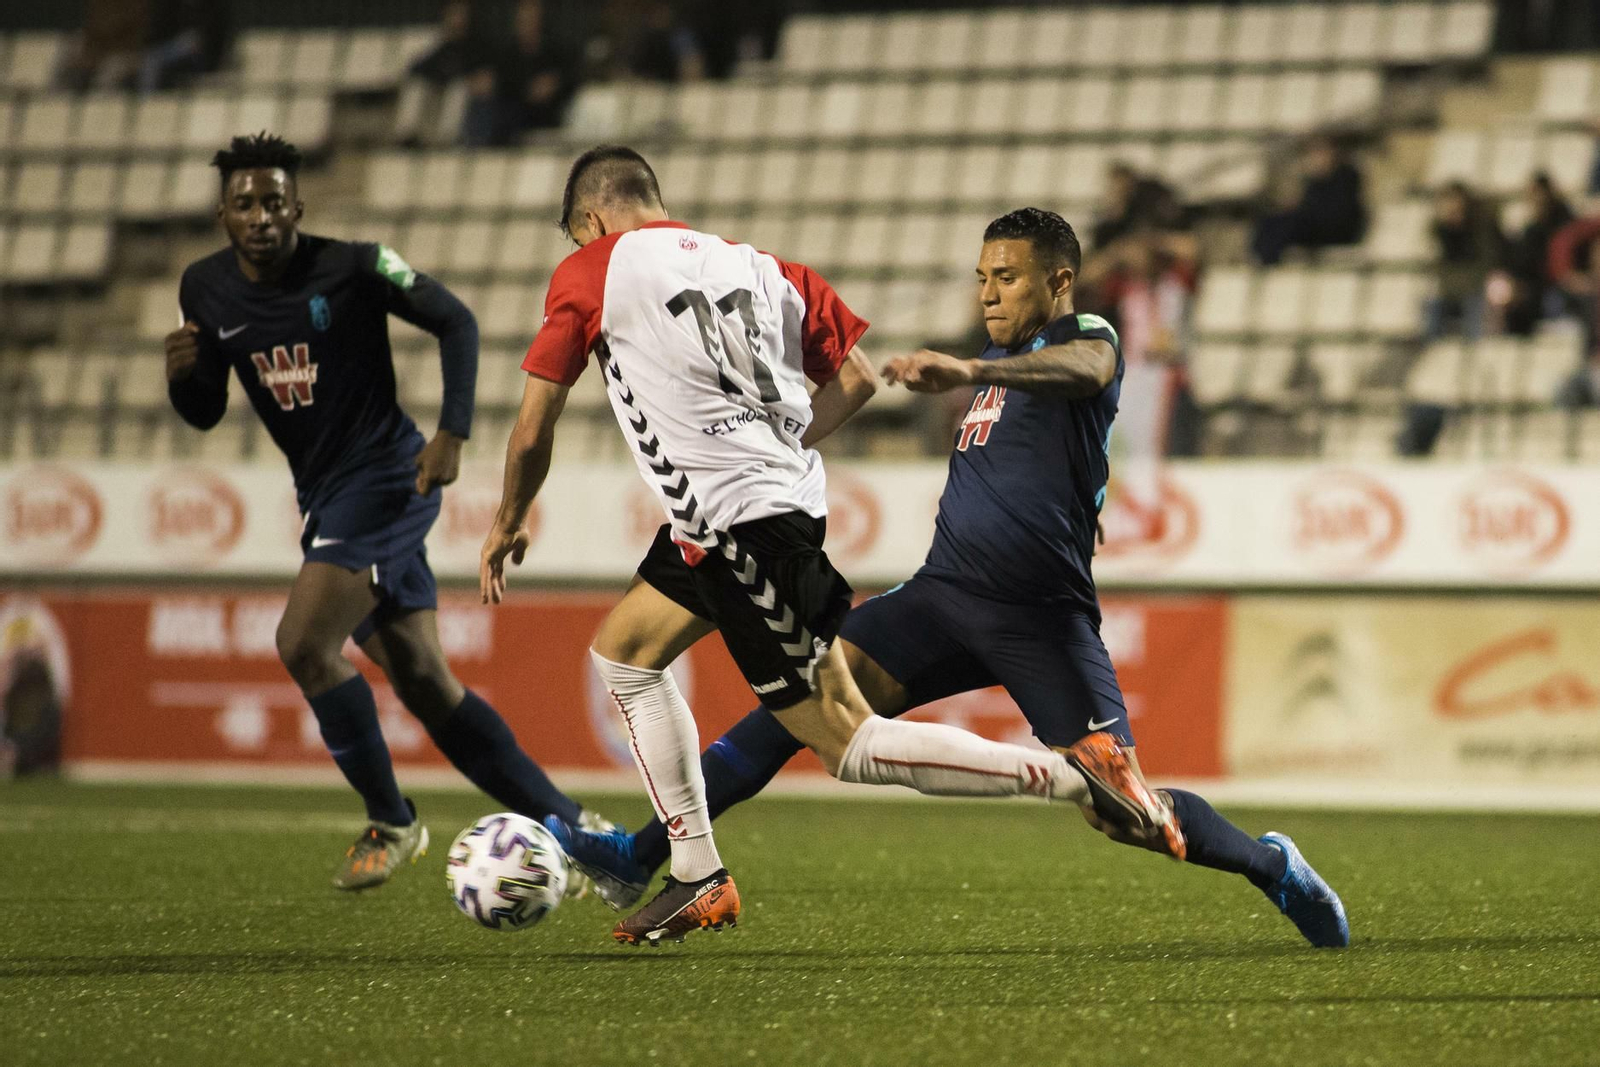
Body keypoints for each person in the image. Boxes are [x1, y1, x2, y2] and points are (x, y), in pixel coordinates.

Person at [549, 207, 1351, 950]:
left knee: (1125, 814)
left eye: (1007, 277)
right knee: (792, 713)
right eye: (981, 278)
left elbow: (1086, 368)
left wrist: (973, 368)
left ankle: (1270, 864)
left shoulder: (1083, 339)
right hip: (939, 599)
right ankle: (641, 851)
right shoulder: (1000, 364)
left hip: (1040, 620)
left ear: (1058, 282)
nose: (990, 292)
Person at [479, 150, 1178, 946]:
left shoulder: (590, 271)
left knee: (847, 742)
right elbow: (857, 375)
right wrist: (776, 446)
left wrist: (508, 517)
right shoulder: (765, 268)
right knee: (626, 652)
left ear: (592, 220)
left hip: (745, 524)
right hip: (726, 514)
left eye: (577, 235)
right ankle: (694, 869)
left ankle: (1073, 774)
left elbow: (534, 425)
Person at [165, 134, 600, 892]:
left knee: (303, 643)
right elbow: (204, 412)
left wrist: (453, 433)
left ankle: (392, 818)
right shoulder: (203, 289)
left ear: (297, 205)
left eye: (274, 201)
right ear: (224, 215)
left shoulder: (359, 265)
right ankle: (579, 829)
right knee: (427, 681)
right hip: (326, 493)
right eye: (244, 204)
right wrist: (182, 382)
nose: (261, 216)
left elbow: (457, 320)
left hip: (390, 479)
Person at [1251, 135, 1367, 266]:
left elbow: (1337, 211)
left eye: (1319, 151)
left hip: (1338, 229)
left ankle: (1268, 262)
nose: (1315, 158)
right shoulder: (1315, 181)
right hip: (1316, 226)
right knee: (1270, 221)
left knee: (1288, 223)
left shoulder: (1346, 177)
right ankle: (1262, 260)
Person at [1424, 181, 1501, 341]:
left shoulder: (1480, 228)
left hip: (1473, 288)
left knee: (1476, 309)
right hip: (1448, 290)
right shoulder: (1440, 231)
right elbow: (1437, 262)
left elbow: (1485, 260)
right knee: (1432, 306)